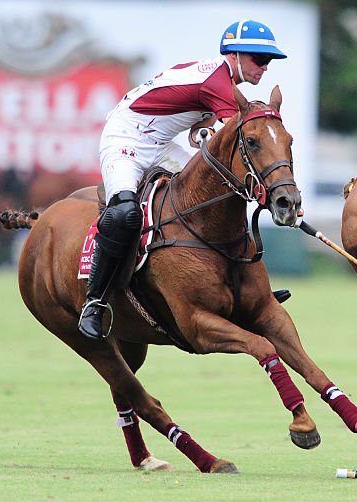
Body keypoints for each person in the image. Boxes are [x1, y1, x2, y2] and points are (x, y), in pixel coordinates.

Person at [78, 19, 287, 340]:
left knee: (219, 190)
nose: (264, 67)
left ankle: (248, 289)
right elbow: (241, 139)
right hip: (127, 138)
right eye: (259, 59)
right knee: (125, 213)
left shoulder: (219, 77)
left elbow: (196, 115)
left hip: (161, 143)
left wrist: (201, 125)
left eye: (268, 61)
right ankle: (95, 300)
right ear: (234, 54)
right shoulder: (218, 83)